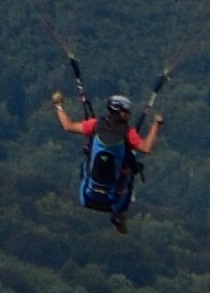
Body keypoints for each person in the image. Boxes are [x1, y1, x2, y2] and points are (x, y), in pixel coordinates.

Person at [56, 79, 160, 230]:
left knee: (88, 158)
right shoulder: (128, 133)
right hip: (114, 198)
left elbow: (68, 126)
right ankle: (119, 214)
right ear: (120, 112)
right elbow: (146, 148)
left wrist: (59, 106)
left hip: (87, 195)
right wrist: (156, 125)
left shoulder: (95, 125)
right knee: (131, 168)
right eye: (126, 112)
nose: (129, 115)